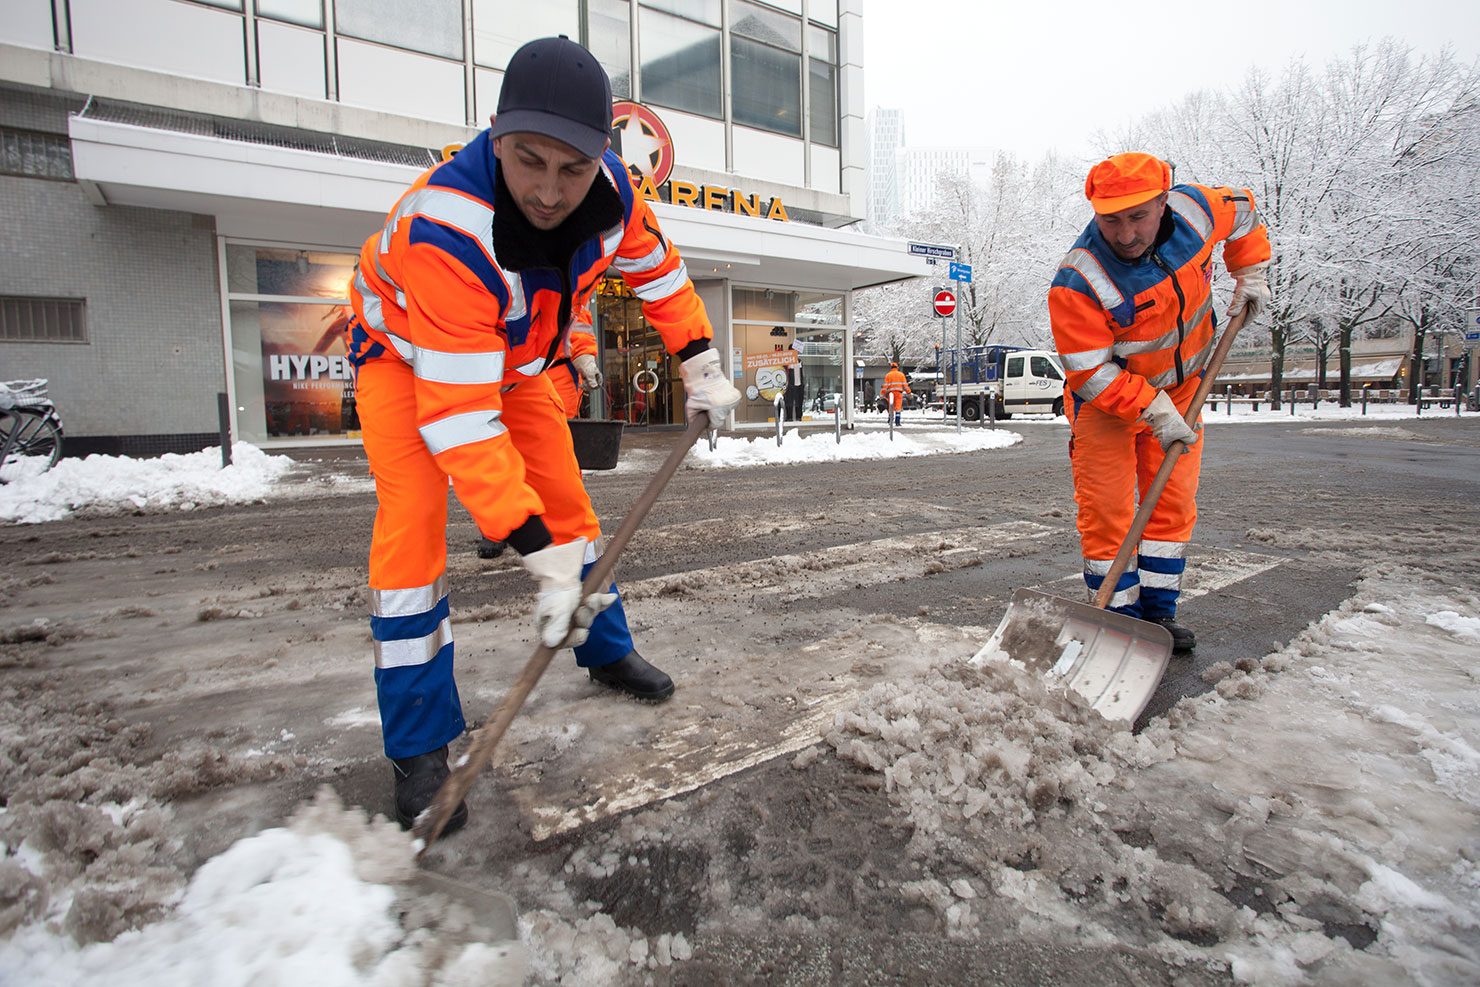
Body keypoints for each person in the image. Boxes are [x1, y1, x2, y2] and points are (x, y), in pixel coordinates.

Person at [345, 36, 741, 835]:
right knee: (413, 536)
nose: (551, 191)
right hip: (404, 358)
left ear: (603, 157)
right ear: (495, 135)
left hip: (519, 361)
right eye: (529, 161)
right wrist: (530, 547)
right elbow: (460, 420)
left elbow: (659, 274)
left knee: (568, 500)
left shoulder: (618, 196)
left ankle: (603, 647)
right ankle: (420, 743)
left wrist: (700, 362)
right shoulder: (449, 226)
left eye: (573, 168)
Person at [1048, 152, 1270, 652]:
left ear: (1163, 201)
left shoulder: (1197, 211)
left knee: (1170, 503)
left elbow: (1245, 211)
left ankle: (1159, 615)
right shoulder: (1078, 281)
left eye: (1138, 216)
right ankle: (1117, 615)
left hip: (1185, 385)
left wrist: (1250, 269)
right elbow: (1089, 371)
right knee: (1108, 511)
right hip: (1108, 401)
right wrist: (1152, 408)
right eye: (1111, 220)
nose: (1125, 234)